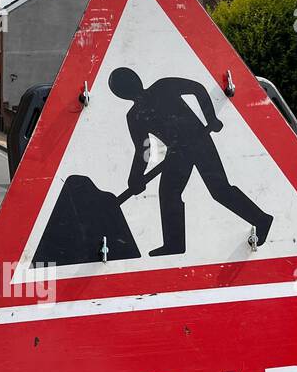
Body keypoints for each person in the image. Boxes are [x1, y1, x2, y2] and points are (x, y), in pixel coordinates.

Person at [109, 66, 273, 256]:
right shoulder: (135, 115)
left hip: (199, 140)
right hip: (177, 153)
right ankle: (174, 244)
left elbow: (197, 88)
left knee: (219, 189)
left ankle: (261, 219)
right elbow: (144, 148)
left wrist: (210, 117)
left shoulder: (162, 87)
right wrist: (135, 177)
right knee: (169, 194)